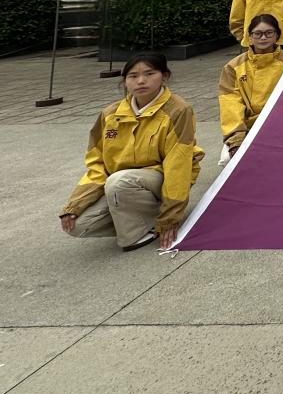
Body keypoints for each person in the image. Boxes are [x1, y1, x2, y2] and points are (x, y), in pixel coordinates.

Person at [59, 53, 203, 252]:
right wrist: (76, 204)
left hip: (158, 180)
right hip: (120, 186)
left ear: (164, 76)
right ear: (124, 81)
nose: (141, 81)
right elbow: (97, 164)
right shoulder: (110, 114)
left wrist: (171, 217)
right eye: (133, 76)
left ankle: (142, 229)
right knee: (78, 225)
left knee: (120, 182)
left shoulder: (178, 110)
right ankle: (141, 220)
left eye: (149, 74)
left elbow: (178, 165)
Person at [219, 13, 283, 159]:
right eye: (258, 33)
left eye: (269, 33)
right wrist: (236, 138)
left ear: (277, 35)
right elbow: (230, 103)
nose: (263, 38)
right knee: (227, 159)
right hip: (248, 127)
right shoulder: (233, 67)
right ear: (250, 37)